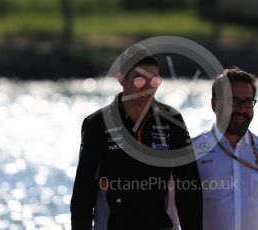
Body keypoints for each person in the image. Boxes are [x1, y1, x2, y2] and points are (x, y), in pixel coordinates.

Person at [70, 44, 203, 230]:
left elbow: (189, 190)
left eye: (154, 82)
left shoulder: (172, 122)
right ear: (121, 79)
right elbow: (82, 196)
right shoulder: (97, 124)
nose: (147, 89)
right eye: (140, 81)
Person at [170, 67, 258, 230]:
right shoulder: (191, 152)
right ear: (215, 104)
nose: (242, 109)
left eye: (248, 102)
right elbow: (172, 215)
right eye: (234, 102)